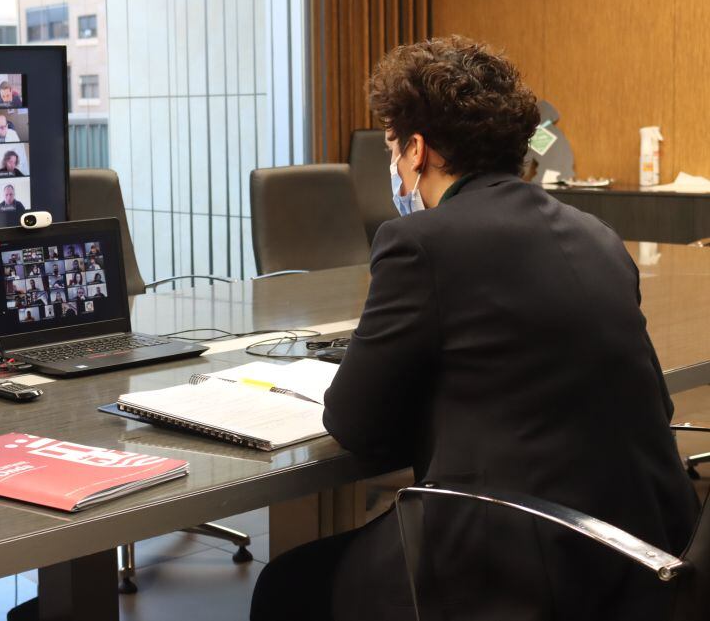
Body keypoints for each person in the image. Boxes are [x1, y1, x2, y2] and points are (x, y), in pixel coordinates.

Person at [249, 36, 699, 621]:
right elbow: (644, 402)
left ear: (416, 150)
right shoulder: (596, 235)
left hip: (524, 566)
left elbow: (354, 423)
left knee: (286, 587)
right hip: (651, 556)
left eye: (391, 144)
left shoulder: (419, 243)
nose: (393, 163)